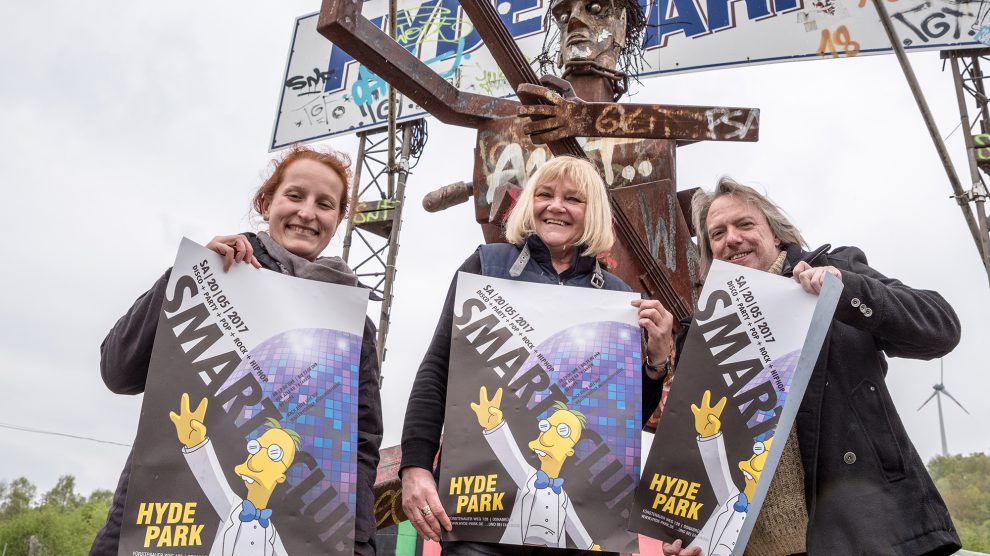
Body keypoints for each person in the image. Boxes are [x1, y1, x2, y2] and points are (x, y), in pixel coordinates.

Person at [90, 145, 384, 556]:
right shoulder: (215, 272)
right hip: (155, 531)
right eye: (295, 196)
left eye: (325, 204)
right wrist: (184, 277)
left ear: (337, 220)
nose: (307, 213)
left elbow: (361, 447)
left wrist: (357, 545)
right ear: (266, 202)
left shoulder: (352, 326)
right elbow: (117, 370)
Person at [658, 177, 961, 556]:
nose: (731, 238)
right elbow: (692, 447)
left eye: (745, 225)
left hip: (861, 537)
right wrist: (691, 536)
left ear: (776, 235)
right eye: (717, 233)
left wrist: (848, 290)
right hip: (750, 548)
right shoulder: (703, 329)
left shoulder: (835, 274)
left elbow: (941, 328)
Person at [399, 155, 672, 555]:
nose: (555, 206)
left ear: (592, 212)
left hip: (581, 527)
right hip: (477, 524)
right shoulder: (485, 266)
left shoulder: (617, 297)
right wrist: (416, 466)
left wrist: (657, 362)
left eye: (573, 199)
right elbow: (437, 372)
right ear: (529, 203)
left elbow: (622, 421)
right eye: (544, 194)